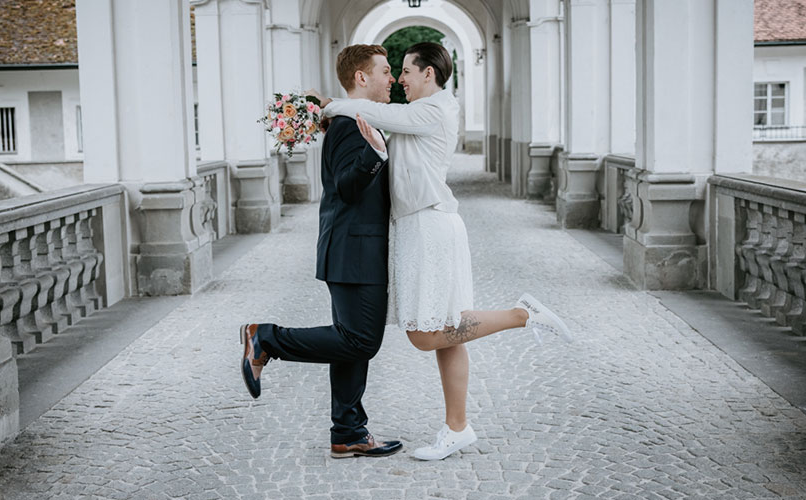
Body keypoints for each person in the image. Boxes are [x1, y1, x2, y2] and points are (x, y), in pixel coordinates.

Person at [309, 42, 573, 461]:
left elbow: (382, 114)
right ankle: (457, 428)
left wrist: (329, 106)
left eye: (407, 73)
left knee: (426, 334)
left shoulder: (434, 109)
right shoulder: (417, 115)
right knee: (447, 333)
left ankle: (521, 315)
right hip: (421, 226)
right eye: (394, 73)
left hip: (429, 226)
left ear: (428, 74)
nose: (399, 80)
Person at [239, 44, 402, 459]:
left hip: (355, 249)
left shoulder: (351, 118)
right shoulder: (351, 124)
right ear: (361, 78)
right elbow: (346, 187)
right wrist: (376, 154)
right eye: (384, 71)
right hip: (354, 251)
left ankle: (348, 432)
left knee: (350, 340)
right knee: (361, 341)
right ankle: (267, 338)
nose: (391, 79)